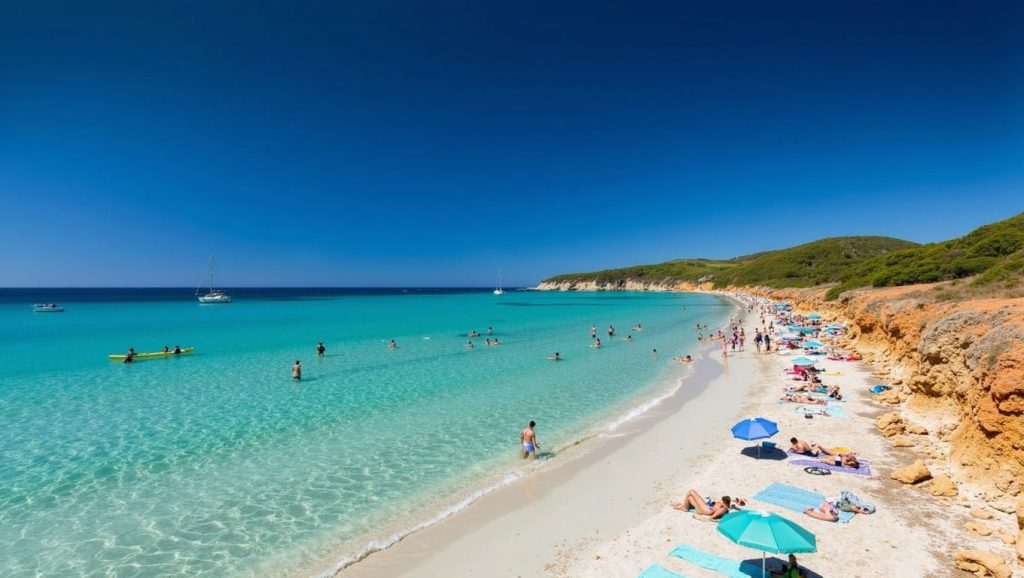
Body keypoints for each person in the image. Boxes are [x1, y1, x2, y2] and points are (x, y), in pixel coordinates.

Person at [671, 489, 741, 520]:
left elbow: (714, 515)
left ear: (724, 501)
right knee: (690, 498)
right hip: (706, 507)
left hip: (707, 510)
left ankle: (684, 508)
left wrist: (709, 518)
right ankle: (684, 507)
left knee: (691, 491)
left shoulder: (723, 508)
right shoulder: (724, 505)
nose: (720, 501)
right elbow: (732, 504)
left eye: (721, 501)